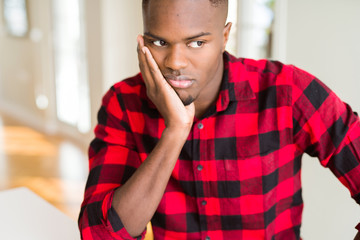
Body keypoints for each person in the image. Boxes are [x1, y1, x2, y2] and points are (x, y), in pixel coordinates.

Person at [78, 0, 360, 239]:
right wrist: (176, 131)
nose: (175, 62)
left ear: (225, 36)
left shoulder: (287, 92)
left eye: (197, 42)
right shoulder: (123, 103)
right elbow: (99, 233)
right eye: (159, 42)